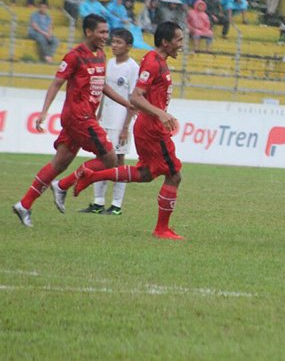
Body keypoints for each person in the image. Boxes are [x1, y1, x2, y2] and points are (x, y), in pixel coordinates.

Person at [12, 14, 133, 227]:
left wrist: (126, 103)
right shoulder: (74, 56)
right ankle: (63, 186)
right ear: (88, 32)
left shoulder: (100, 55)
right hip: (79, 117)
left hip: (84, 116)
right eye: (102, 32)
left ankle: (24, 205)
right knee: (110, 159)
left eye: (107, 32)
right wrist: (44, 112)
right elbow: (56, 83)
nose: (106, 36)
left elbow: (102, 86)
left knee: (59, 163)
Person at [73, 22, 186, 240]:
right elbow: (136, 97)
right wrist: (161, 114)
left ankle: (93, 176)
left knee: (145, 174)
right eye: (178, 40)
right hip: (153, 127)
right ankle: (162, 229)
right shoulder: (153, 62)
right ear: (165, 42)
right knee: (174, 175)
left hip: (148, 125)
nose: (181, 45)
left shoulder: (157, 61)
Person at [79, 29, 139, 216]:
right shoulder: (109, 63)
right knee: (102, 159)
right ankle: (98, 203)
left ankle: (116, 205)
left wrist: (126, 127)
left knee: (119, 162)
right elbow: (105, 91)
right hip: (105, 119)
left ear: (128, 46)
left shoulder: (132, 68)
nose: (114, 45)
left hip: (120, 122)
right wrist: (98, 114)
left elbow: (133, 100)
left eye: (119, 42)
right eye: (113, 41)